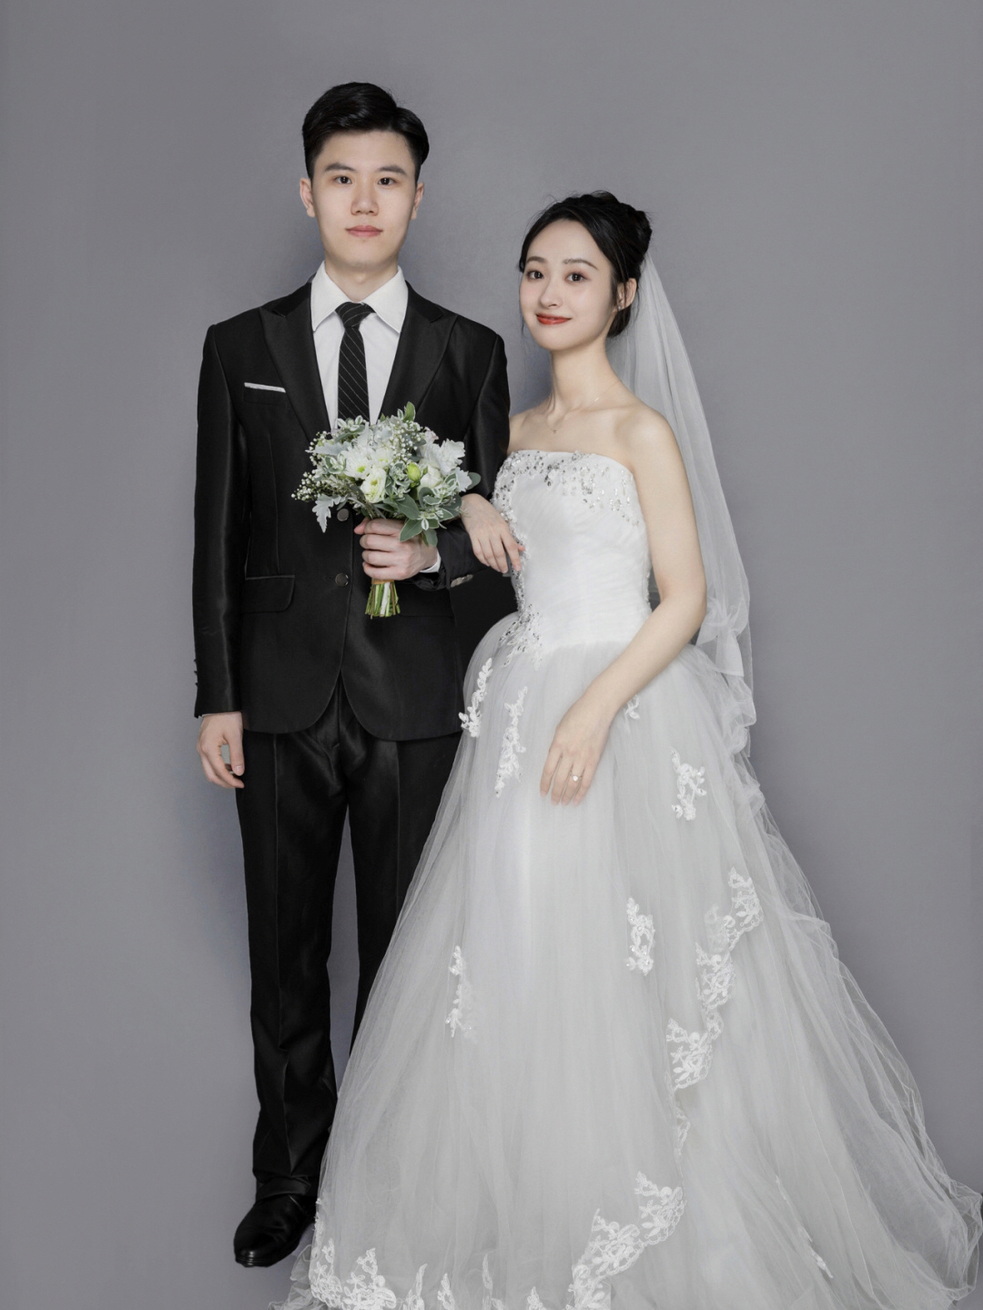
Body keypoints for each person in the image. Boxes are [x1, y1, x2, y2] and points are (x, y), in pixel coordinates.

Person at [275, 192, 981, 1309]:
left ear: (622, 294)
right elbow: (499, 564)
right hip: (519, 710)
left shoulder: (641, 432)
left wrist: (594, 709)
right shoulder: (509, 433)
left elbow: (684, 596)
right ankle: (542, 1219)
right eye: (533, 272)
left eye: (574, 275)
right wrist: (429, 547)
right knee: (520, 955)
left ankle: (657, 1234)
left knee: (632, 968)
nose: (548, 293)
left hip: (622, 707)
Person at [192, 82, 509, 1269]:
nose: (363, 200)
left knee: (406, 954)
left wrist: (432, 559)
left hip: (416, 695)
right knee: (283, 952)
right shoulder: (240, 346)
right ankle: (288, 1174)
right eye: (341, 177)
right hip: (277, 695)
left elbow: (504, 549)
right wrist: (216, 692)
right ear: (306, 192)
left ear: (418, 198)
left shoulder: (468, 350)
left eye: (387, 180)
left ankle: (390, 1175)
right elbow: (216, 534)